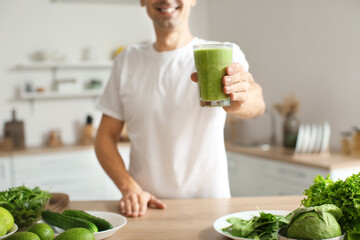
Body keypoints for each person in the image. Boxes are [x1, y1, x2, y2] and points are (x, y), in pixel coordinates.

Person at [95, 0, 265, 218]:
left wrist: (240, 99)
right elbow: (104, 138)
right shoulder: (127, 61)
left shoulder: (224, 53)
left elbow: (257, 102)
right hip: (147, 207)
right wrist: (129, 188)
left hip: (211, 206)